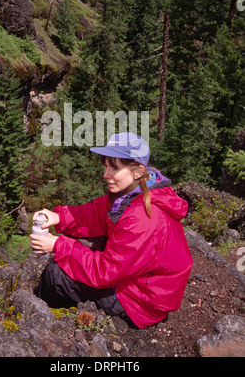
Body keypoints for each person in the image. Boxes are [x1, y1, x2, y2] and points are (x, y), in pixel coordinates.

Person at [30, 132, 193, 329]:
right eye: (105, 165)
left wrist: (58, 245)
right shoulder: (132, 193)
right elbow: (96, 213)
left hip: (142, 302)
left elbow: (105, 271)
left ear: (138, 171)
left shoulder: (142, 218)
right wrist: (60, 217)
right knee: (78, 242)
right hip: (142, 282)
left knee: (56, 276)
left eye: (114, 168)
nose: (106, 174)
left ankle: (41, 325)